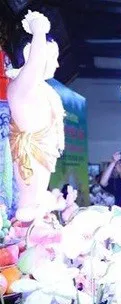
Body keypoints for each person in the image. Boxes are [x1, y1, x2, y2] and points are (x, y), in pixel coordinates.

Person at [7, 11, 64, 221]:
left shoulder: (41, 90)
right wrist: (39, 29)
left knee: (38, 201)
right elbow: (36, 63)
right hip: (29, 155)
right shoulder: (21, 87)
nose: (57, 64)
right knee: (28, 208)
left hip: (40, 154)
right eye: (53, 57)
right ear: (32, 52)